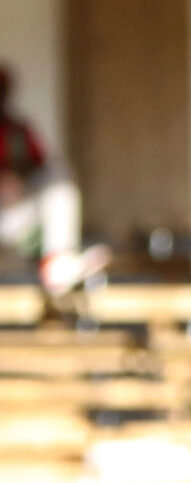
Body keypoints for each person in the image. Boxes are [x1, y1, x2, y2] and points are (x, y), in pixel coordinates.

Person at [0, 65, 105, 309]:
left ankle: (58, 263)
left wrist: (19, 183)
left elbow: (44, 168)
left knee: (60, 184)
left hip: (16, 216)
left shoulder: (18, 131)